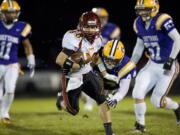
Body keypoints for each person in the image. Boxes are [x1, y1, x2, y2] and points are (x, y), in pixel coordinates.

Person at [55, 11, 118, 135]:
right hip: (72, 76)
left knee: (102, 100)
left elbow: (96, 58)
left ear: (98, 27)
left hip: (88, 73)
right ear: (81, 26)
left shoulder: (99, 39)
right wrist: (77, 65)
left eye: (93, 27)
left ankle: (109, 133)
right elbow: (59, 60)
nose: (90, 30)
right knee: (74, 111)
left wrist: (105, 74)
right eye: (87, 27)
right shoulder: (72, 37)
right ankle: (61, 100)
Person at [131, 0, 180, 132]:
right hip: (152, 64)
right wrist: (132, 64)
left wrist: (171, 59)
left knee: (157, 102)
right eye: (140, 9)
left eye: (145, 9)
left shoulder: (161, 20)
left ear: (154, 8)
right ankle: (140, 126)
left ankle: (177, 107)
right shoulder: (138, 23)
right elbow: (139, 47)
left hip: (167, 66)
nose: (142, 12)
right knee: (137, 92)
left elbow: (177, 38)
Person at [0, 0, 35, 124]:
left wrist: (31, 60)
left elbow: (27, 45)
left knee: (10, 89)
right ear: (2, 13)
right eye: (8, 13)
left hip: (11, 63)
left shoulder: (22, 26)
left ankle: (4, 114)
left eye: (13, 12)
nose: (11, 15)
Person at [81, 7, 121, 111]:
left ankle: (107, 98)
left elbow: (114, 44)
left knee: (109, 83)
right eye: (99, 18)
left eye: (103, 18)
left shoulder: (113, 28)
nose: (102, 20)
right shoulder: (87, 28)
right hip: (91, 57)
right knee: (90, 80)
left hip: (107, 58)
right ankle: (88, 101)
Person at [101, 39, 136, 108]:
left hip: (117, 77)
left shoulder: (126, 66)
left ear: (121, 58)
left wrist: (115, 98)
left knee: (111, 84)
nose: (110, 63)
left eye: (114, 61)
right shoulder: (99, 55)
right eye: (108, 59)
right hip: (104, 74)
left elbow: (123, 89)